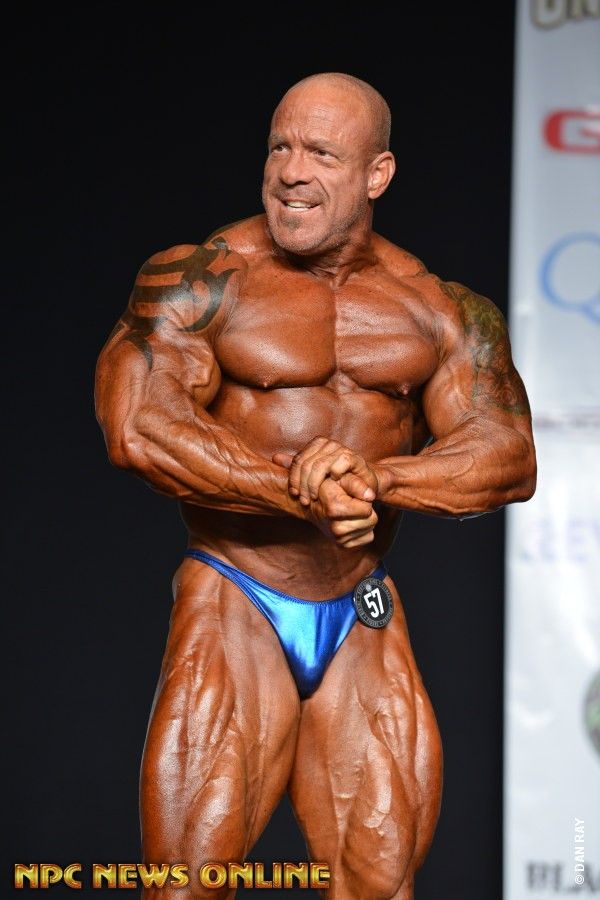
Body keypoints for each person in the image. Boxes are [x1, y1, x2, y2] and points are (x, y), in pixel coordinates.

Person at [95, 72, 536, 899]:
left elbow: (507, 453)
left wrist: (377, 478)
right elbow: (139, 426)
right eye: (280, 148)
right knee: (187, 885)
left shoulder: (439, 307)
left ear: (377, 174)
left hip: (360, 606)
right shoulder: (202, 279)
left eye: (322, 154)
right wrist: (297, 489)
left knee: (380, 883)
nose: (291, 172)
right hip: (236, 591)